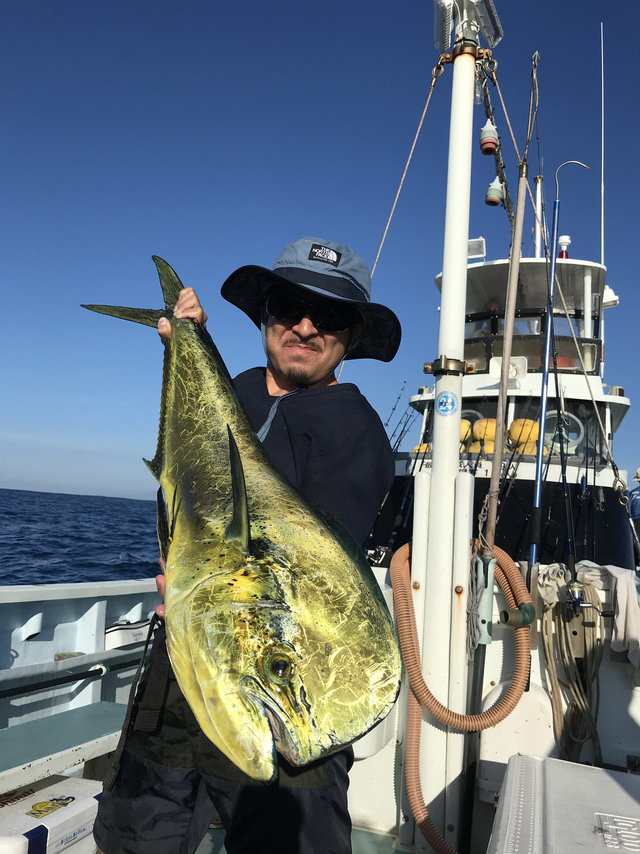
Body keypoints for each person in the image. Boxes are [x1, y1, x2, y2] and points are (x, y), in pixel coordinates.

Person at [93, 236, 402, 854]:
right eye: (290, 306)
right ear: (266, 313)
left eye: (330, 318)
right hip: (186, 663)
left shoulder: (359, 435)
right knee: (137, 837)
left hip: (283, 682)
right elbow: (187, 495)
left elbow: (302, 572)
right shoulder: (231, 387)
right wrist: (189, 345)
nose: (306, 327)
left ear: (351, 336)